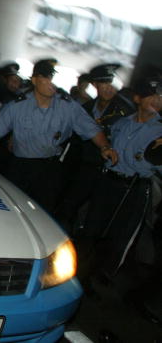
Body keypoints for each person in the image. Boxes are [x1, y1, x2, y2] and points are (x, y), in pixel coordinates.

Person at [0, 59, 117, 214]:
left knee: (43, 212)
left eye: (52, 78)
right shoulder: (17, 106)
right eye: (46, 78)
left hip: (49, 169)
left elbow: (91, 129)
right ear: (35, 80)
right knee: (11, 209)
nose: (51, 83)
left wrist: (105, 147)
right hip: (21, 167)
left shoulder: (67, 106)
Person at [80, 80, 162, 283]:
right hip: (108, 182)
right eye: (151, 95)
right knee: (92, 228)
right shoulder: (121, 123)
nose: (156, 100)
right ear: (138, 99)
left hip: (135, 187)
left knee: (120, 236)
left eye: (159, 96)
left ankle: (100, 275)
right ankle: (80, 271)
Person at [56, 63, 135, 232]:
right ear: (95, 85)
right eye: (104, 84)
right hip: (85, 167)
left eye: (111, 84)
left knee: (97, 215)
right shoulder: (86, 108)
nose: (108, 89)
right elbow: (75, 140)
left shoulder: (126, 111)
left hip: (109, 170)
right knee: (69, 204)